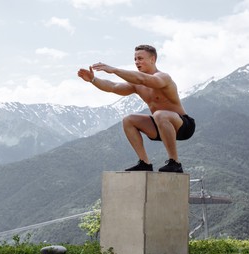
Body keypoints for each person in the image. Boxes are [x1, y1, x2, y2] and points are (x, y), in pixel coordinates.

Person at [77, 45, 195, 173]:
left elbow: (143, 79)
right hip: (159, 125)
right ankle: (145, 163)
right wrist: (93, 79)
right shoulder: (137, 84)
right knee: (129, 120)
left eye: (140, 58)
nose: (137, 62)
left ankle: (175, 163)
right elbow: (113, 86)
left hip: (183, 125)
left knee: (160, 114)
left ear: (152, 59)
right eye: (135, 59)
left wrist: (114, 70)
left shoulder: (163, 77)